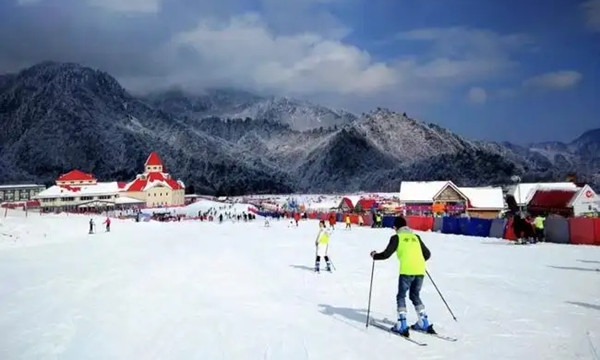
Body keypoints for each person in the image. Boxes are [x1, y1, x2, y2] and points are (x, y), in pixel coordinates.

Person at [370, 216, 433, 337]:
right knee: (415, 295)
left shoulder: (396, 237)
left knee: (401, 296)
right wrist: (418, 261)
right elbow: (427, 254)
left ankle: (402, 325)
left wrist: (375, 255)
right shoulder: (416, 237)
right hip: (420, 270)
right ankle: (424, 322)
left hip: (406, 271)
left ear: (396, 227)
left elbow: (386, 254)